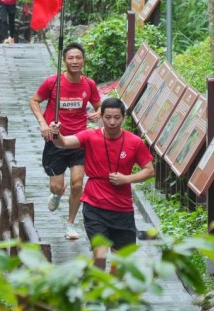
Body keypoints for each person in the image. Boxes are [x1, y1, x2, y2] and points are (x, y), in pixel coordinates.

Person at [52, 97, 154, 270]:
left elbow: (149, 170)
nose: (112, 122)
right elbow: (64, 143)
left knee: (120, 262)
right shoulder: (90, 136)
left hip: (122, 208)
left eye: (116, 118)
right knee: (100, 255)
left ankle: (110, 294)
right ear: (101, 117)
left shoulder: (134, 142)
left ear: (123, 118)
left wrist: (127, 179)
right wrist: (56, 133)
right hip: (95, 205)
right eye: (108, 117)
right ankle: (96, 288)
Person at [30, 42, 101, 240]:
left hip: (78, 140)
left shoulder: (89, 84)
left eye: (78, 58)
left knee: (78, 184)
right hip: (56, 139)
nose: (75, 61)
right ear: (64, 61)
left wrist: (98, 113)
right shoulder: (53, 82)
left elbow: (100, 105)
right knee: (57, 186)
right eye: (71, 58)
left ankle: (70, 224)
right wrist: (43, 124)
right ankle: (57, 193)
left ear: (84, 61)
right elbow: (34, 100)